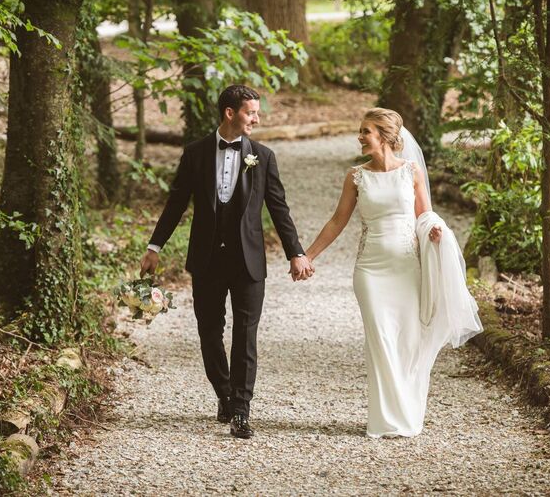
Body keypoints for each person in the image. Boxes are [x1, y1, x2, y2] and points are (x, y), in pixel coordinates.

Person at [140, 85, 314, 439]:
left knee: (245, 334)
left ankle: (241, 411)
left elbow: (279, 209)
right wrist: (154, 246)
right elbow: (176, 203)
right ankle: (224, 392)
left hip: (248, 261)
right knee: (209, 331)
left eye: (257, 113)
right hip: (206, 259)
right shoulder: (196, 154)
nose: (257, 118)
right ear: (230, 113)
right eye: (252, 112)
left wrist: (295, 252)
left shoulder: (263, 157)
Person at [305, 108, 482, 438]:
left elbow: (425, 216)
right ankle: (384, 419)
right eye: (360, 131)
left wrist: (435, 232)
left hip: (406, 268)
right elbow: (336, 221)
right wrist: (307, 256)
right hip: (370, 271)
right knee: (382, 341)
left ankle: (408, 414)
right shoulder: (356, 176)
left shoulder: (410, 172)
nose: (360, 137)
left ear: (385, 136)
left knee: (408, 341)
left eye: (366, 131)